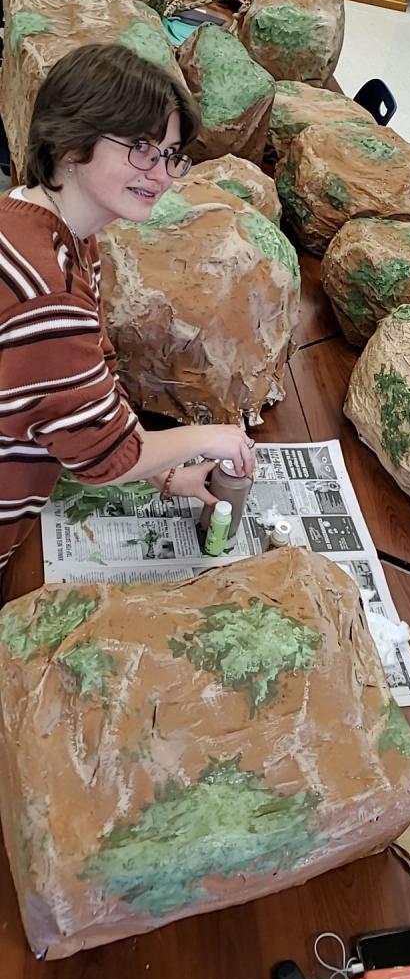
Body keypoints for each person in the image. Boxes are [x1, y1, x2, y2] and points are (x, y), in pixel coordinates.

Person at [0, 42, 256, 579]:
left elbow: (89, 388)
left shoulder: (45, 225)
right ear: (70, 144)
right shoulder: (48, 292)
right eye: (140, 147)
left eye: (171, 154)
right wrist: (213, 437)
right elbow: (100, 457)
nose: (160, 174)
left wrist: (166, 474)